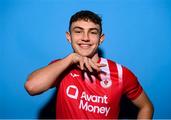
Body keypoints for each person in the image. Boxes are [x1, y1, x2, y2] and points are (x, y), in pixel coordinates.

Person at [25, 10, 154, 119]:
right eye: (78, 31)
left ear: (101, 38)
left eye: (92, 32)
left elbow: (146, 107)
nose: (85, 38)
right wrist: (71, 58)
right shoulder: (61, 67)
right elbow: (31, 87)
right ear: (68, 37)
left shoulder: (121, 73)